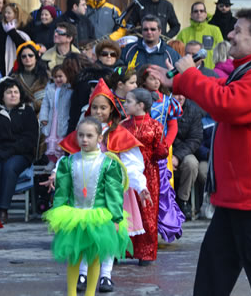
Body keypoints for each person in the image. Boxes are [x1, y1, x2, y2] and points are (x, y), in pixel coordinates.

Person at [150, 8, 251, 295]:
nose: (229, 34)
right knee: (213, 272)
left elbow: (227, 103)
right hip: (237, 196)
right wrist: (178, 81)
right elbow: (221, 86)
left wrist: (189, 74)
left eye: (238, 30)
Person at [57, 79, 148, 293]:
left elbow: (132, 165)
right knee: (83, 237)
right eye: (95, 107)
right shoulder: (83, 133)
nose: (99, 111)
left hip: (113, 196)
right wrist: (55, 176)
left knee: (107, 238)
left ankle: (105, 275)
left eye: (103, 107)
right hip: (83, 194)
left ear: (112, 109)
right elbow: (68, 161)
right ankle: (82, 273)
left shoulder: (119, 134)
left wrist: (140, 185)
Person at [43, 117, 132, 296]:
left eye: (89, 136)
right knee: (74, 258)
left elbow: (113, 193)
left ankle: (90, 293)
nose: (84, 139)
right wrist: (57, 215)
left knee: (94, 259)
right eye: (81, 135)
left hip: (98, 217)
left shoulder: (108, 164)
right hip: (74, 215)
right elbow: (62, 192)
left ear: (100, 138)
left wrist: (115, 217)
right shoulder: (68, 163)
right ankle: (71, 293)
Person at [138, 65, 185, 241]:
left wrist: (165, 146)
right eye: (152, 78)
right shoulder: (136, 100)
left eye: (158, 78)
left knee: (162, 189)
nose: (156, 81)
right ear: (144, 81)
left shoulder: (167, 101)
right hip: (139, 151)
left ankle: (163, 228)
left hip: (159, 152)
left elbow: (173, 125)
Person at [122, 88, 169, 265]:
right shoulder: (124, 125)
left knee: (147, 211)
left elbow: (161, 150)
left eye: (128, 101)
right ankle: (125, 248)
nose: (125, 104)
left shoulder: (155, 125)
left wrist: (152, 156)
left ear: (140, 105)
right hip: (127, 172)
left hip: (149, 173)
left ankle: (146, 252)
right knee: (128, 209)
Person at [0, 77, 39, 224]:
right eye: (9, 92)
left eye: (16, 92)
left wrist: (11, 150)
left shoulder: (27, 111)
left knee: (9, 167)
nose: (13, 95)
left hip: (22, 154)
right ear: (2, 96)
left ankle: (3, 209)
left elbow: (30, 139)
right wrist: (0, 151)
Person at [172, 93, 203, 219]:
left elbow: (195, 139)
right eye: (176, 94)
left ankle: (183, 201)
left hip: (183, 152)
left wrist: (177, 157)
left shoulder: (193, 110)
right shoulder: (161, 107)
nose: (179, 98)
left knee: (191, 163)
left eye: (182, 94)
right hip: (164, 150)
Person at [39, 65, 72, 171]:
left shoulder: (69, 89)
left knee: (61, 140)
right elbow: (45, 104)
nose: (58, 79)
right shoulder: (50, 89)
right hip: (52, 118)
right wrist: (43, 117)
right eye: (56, 77)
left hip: (62, 118)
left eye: (61, 76)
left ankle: (60, 161)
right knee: (51, 142)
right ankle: (52, 161)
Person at [176, 2, 224, 69]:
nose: (199, 13)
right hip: (189, 72)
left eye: (201, 11)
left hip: (211, 72)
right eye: (196, 11)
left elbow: (222, 53)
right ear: (191, 15)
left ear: (205, 14)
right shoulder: (183, 33)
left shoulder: (215, 30)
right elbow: (178, 54)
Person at [0, 2, 31, 76]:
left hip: (18, 61)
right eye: (5, 12)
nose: (6, 15)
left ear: (16, 14)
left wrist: (12, 32)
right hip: (1, 62)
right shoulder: (1, 26)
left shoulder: (23, 26)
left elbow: (24, 45)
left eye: (9, 13)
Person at [10, 41, 50, 115]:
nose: (27, 58)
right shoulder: (14, 78)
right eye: (24, 56)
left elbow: (52, 98)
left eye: (30, 55)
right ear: (20, 59)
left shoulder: (48, 76)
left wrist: (34, 105)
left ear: (36, 57)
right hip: (20, 115)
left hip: (44, 115)